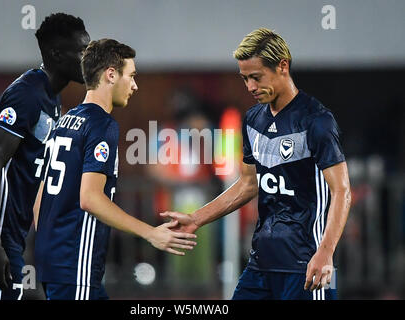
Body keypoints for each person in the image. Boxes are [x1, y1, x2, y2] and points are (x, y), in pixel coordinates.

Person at [161, 28, 351, 300]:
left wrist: (325, 252)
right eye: (245, 79)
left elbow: (341, 191)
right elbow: (248, 185)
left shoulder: (316, 120)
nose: (250, 87)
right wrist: (195, 218)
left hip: (306, 264)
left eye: (256, 77)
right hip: (261, 263)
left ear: (283, 66)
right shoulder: (253, 120)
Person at [33, 38, 197, 300]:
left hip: (53, 263)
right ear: (111, 75)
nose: (134, 85)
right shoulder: (101, 125)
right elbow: (90, 199)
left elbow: (40, 198)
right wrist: (150, 233)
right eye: (130, 76)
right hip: (77, 266)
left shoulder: (64, 123)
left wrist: (52, 246)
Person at [0, 13, 90, 300]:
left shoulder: (51, 98)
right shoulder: (25, 96)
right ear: (56, 54)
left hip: (10, 236)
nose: (88, 59)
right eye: (81, 51)